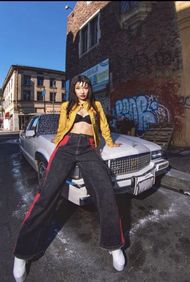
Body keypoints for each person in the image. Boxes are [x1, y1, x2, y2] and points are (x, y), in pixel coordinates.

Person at [13, 75, 125, 282]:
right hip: (66, 146)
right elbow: (61, 129)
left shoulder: (96, 105)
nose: (82, 91)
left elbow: (104, 128)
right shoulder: (66, 106)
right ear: (73, 90)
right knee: (46, 195)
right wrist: (55, 145)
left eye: (85, 88)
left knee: (106, 192)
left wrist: (110, 142)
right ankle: (22, 253)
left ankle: (114, 245)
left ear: (89, 89)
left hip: (88, 148)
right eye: (78, 88)